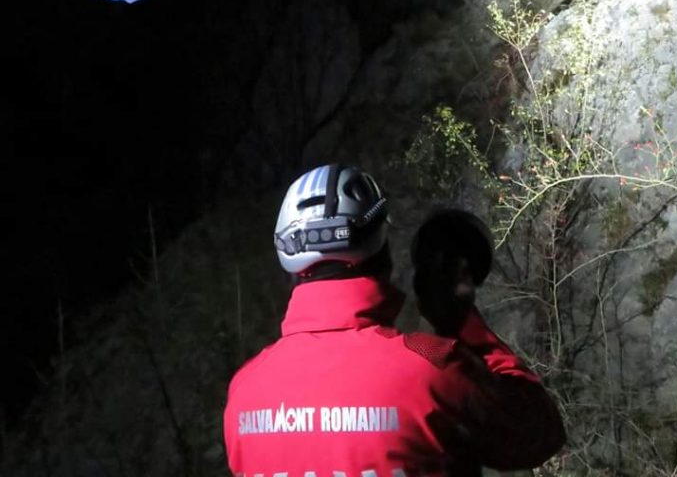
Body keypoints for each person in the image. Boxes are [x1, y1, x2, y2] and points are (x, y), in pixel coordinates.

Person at [223, 164, 566, 477]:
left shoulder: (243, 391)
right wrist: (461, 320)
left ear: (289, 267)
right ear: (383, 255)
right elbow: (539, 433)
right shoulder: (432, 363)